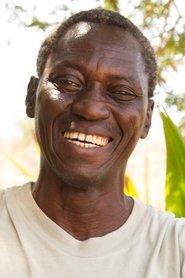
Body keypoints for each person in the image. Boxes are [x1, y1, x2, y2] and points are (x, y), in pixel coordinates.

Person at [0, 8, 184, 278]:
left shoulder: (175, 252)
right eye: (69, 82)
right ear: (32, 96)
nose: (91, 108)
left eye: (121, 92)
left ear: (147, 118)